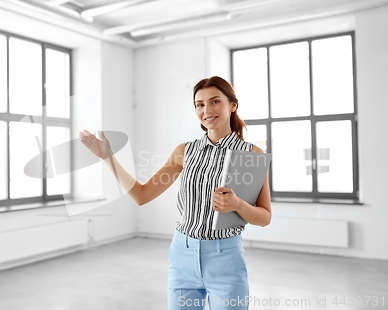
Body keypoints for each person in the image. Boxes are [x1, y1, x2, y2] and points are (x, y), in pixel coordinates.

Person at [78, 76, 271, 309]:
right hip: (183, 256)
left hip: (226, 259)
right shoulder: (185, 152)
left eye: (214, 101)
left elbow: (264, 217)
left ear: (233, 105)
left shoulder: (251, 154)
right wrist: (108, 157)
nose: (206, 110)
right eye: (199, 104)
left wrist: (238, 205)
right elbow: (142, 195)